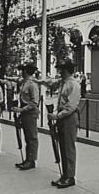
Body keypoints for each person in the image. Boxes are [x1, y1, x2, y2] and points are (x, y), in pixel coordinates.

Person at [36, 59, 81, 189]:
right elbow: (50, 83)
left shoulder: (73, 85)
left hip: (69, 117)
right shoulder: (63, 83)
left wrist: (57, 116)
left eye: (61, 69)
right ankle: (65, 174)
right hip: (63, 117)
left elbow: (71, 106)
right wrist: (37, 81)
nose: (59, 71)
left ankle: (70, 177)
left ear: (66, 70)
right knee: (62, 146)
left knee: (68, 147)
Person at [6, 62, 40, 170]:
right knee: (27, 137)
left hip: (30, 112)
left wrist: (21, 109)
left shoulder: (32, 84)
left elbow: (34, 102)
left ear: (26, 71)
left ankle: (31, 160)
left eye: (22, 70)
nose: (21, 72)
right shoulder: (24, 83)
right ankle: (27, 159)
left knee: (31, 137)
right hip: (25, 112)